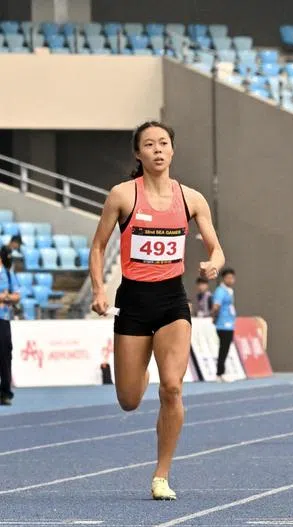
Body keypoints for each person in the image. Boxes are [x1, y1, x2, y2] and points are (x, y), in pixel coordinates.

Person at [89, 120, 226, 500]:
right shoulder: (122, 195)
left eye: (164, 143)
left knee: (173, 387)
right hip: (132, 302)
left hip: (171, 302)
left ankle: (161, 475)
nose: (158, 150)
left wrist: (214, 262)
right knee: (129, 400)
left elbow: (217, 248)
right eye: (149, 145)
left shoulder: (191, 199)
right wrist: (100, 289)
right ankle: (139, 373)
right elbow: (99, 246)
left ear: (172, 150)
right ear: (139, 153)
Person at [0, 242, 18, 406]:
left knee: (5, 355)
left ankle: (5, 392)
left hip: (3, 319)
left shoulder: (7, 272)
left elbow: (16, 296)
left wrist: (5, 298)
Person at [212, 266, 236, 381]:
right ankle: (220, 373)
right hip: (223, 324)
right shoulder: (220, 291)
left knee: (225, 348)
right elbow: (216, 306)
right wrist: (214, 317)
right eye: (228, 278)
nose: (230, 280)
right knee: (223, 348)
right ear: (223, 278)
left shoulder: (229, 291)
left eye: (232, 278)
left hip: (229, 323)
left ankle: (221, 372)